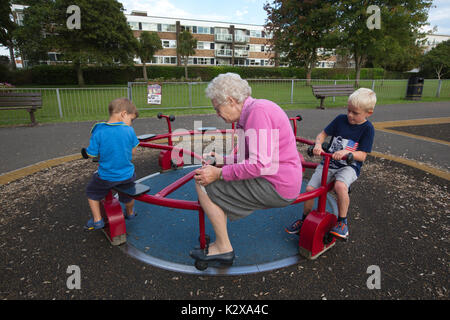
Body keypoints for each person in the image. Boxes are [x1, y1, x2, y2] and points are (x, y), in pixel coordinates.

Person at [190, 73, 302, 265]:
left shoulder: (258, 113)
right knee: (211, 180)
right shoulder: (249, 114)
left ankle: (223, 247)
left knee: (204, 184)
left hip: (278, 184)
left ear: (231, 101)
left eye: (218, 109)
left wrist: (219, 173)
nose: (217, 114)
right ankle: (221, 240)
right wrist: (223, 160)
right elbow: (246, 158)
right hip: (279, 178)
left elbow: (259, 165)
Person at [285, 88, 376, 240]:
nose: (350, 115)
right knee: (309, 189)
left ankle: (342, 222)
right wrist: (318, 145)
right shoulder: (340, 119)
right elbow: (322, 135)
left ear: (369, 113)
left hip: (348, 166)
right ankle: (304, 219)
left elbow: (362, 155)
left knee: (340, 186)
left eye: (355, 113)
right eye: (348, 110)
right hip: (330, 162)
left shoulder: (367, 129)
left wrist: (349, 153)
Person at [84, 98, 140, 231]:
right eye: (131, 119)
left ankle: (98, 220)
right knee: (128, 194)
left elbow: (92, 154)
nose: (131, 124)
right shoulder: (129, 131)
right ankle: (130, 213)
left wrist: (86, 153)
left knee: (91, 192)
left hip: (106, 176)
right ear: (123, 114)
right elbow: (133, 152)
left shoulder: (99, 130)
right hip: (126, 175)